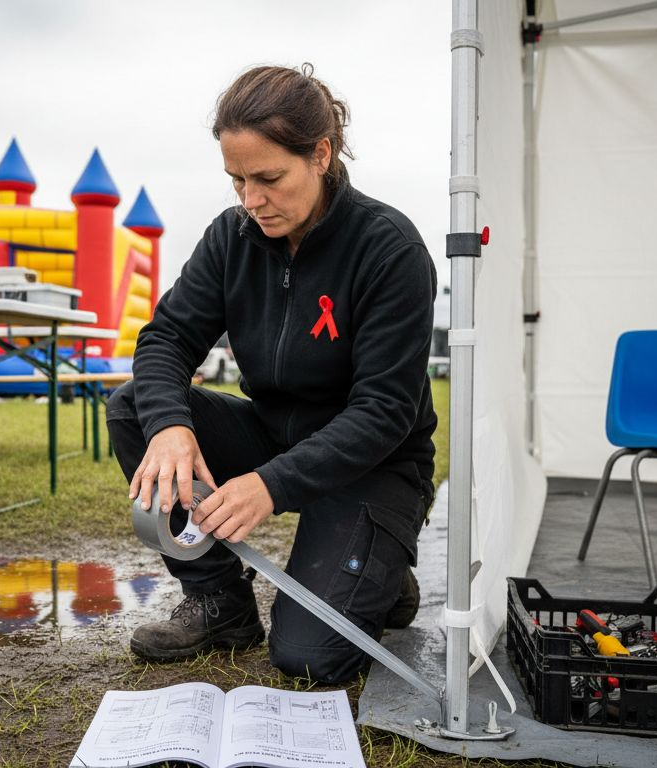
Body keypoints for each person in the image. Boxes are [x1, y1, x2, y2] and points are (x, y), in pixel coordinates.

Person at [106, 63, 437, 685]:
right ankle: (221, 604)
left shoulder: (390, 250)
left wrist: (269, 484)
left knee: (311, 659)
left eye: (269, 178)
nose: (251, 200)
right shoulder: (231, 237)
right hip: (273, 432)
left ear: (321, 154)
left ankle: (383, 570)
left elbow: (385, 411)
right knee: (135, 409)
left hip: (375, 461)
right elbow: (165, 339)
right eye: (237, 181)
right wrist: (172, 426)